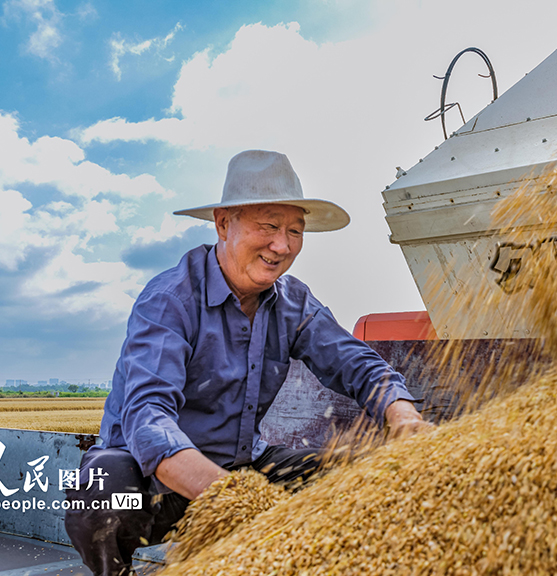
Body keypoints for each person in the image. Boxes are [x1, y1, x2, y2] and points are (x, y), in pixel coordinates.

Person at [64, 150, 433, 575]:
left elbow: (356, 363)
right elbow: (149, 418)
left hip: (239, 468)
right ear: (223, 223)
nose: (283, 245)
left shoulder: (293, 301)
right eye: (269, 226)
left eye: (295, 230)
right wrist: (232, 497)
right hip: (156, 483)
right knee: (103, 485)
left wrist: (403, 418)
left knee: (357, 470)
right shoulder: (170, 300)